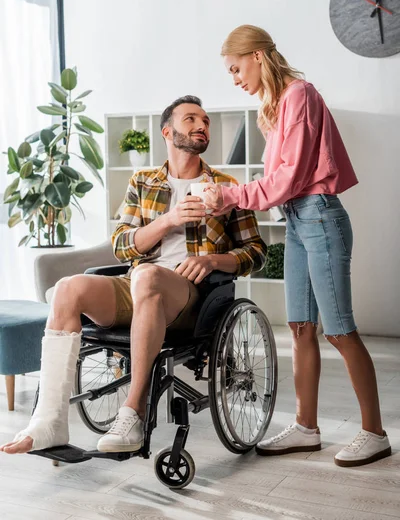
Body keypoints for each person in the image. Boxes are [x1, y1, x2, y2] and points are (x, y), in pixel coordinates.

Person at [0, 94, 267, 455]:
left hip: (192, 297)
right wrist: (168, 220)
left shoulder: (226, 186)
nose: (202, 126)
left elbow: (256, 251)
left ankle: (134, 411)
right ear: (167, 131)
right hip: (137, 285)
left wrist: (213, 262)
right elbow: (123, 245)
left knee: (148, 277)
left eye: (205, 120)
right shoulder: (142, 181)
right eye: (190, 119)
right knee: (67, 288)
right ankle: (50, 422)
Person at [204, 25, 391, 468]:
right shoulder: (276, 105)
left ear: (257, 56)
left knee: (339, 329)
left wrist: (229, 196)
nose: (234, 79)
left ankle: (375, 433)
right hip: (297, 219)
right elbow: (282, 184)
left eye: (235, 68)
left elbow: (287, 179)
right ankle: (307, 428)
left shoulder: (300, 95)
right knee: (301, 326)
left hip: (320, 216)